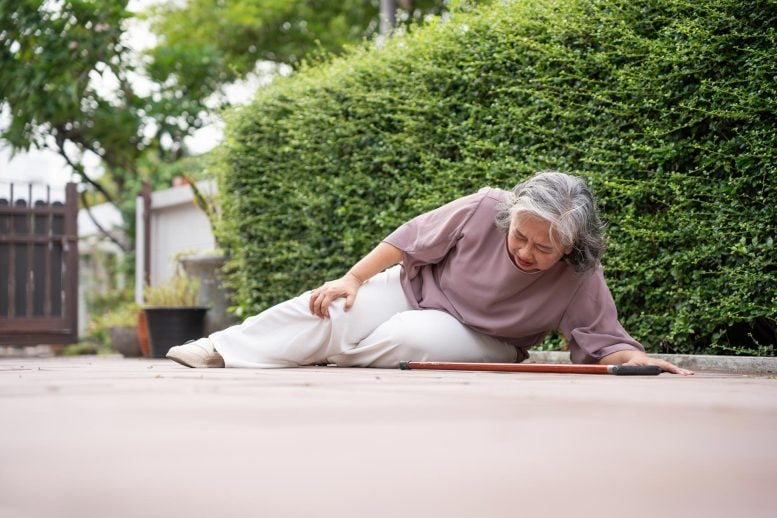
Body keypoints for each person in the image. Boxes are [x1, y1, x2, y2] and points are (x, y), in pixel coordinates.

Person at [166, 171, 692, 375]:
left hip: (487, 338)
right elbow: (408, 238)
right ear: (510, 217)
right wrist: (352, 278)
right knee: (336, 307)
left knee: (405, 336)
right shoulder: (485, 207)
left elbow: (603, 340)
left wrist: (637, 360)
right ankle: (221, 348)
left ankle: (323, 355)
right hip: (417, 288)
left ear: (570, 247)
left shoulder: (580, 272)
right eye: (520, 237)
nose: (526, 252)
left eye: (543, 248)